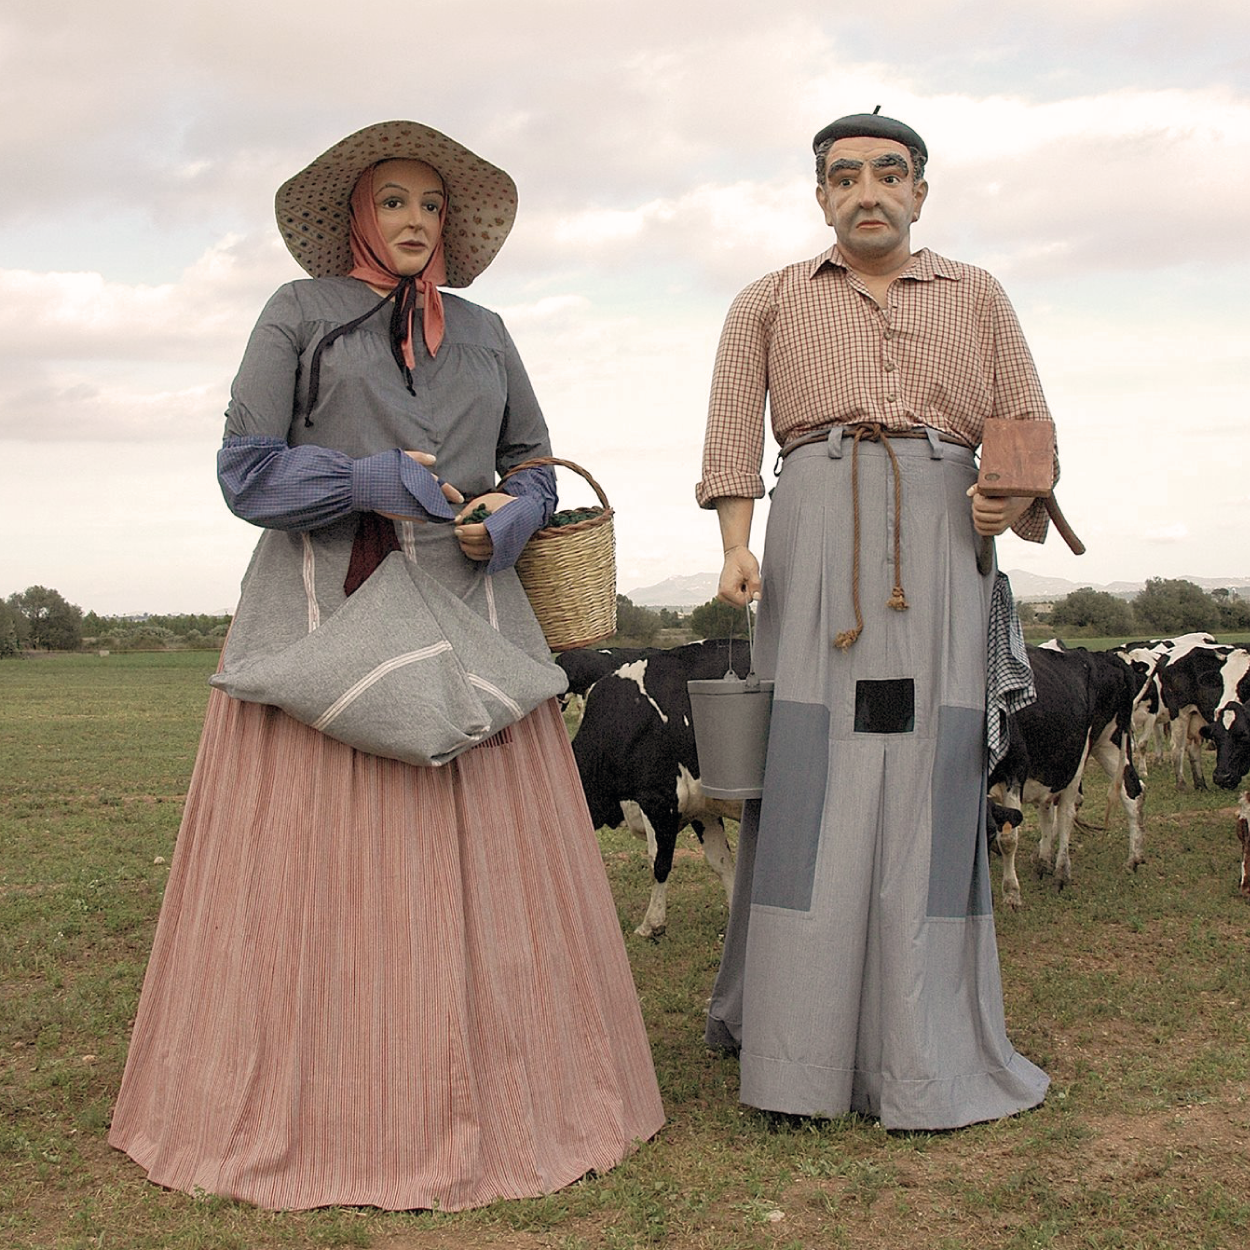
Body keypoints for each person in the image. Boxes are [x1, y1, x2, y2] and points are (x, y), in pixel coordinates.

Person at [109, 120, 663, 1211]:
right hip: (331, 604)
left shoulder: (489, 329)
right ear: (358, 216)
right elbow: (243, 471)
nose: (414, 221)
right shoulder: (296, 313)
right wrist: (366, 478)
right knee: (320, 861)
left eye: (430, 206)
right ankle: (323, 1102)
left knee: (482, 861)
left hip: (471, 607)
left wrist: (510, 516)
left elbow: (534, 464)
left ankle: (510, 1093)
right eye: (395, 201)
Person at [697, 110, 1052, 1130]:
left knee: (933, 769)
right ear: (818, 196)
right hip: (812, 531)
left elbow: (1020, 417)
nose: (866, 191)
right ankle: (794, 1051)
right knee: (806, 770)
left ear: (919, 192)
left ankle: (922, 1042)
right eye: (843, 176)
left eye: (886, 175)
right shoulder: (764, 299)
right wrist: (734, 542)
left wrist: (1006, 497)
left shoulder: (975, 292)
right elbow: (729, 433)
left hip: (943, 540)